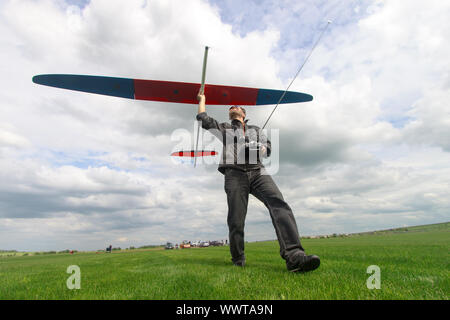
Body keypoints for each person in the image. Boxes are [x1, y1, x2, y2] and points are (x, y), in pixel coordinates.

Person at [196, 93, 320, 272]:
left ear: (244, 114)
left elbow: (267, 147)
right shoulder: (224, 128)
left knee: (279, 204)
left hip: (257, 171)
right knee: (236, 219)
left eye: (237, 106)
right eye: (230, 107)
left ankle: (295, 257)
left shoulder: (256, 129)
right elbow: (204, 120)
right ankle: (238, 258)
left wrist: (262, 148)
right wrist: (202, 101)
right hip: (234, 174)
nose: (233, 107)